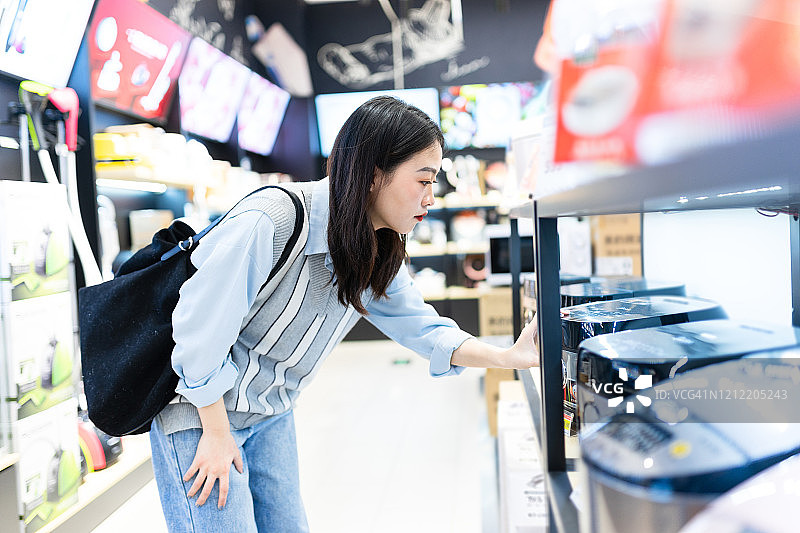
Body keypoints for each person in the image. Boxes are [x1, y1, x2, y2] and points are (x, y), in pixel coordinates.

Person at [149, 96, 539, 532]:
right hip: (203, 412)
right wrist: (217, 434)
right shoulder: (272, 219)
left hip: (271, 412)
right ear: (375, 174)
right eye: (423, 180)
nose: (431, 197)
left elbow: (425, 329)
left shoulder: (376, 247)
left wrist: (509, 357)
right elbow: (197, 331)